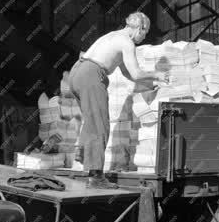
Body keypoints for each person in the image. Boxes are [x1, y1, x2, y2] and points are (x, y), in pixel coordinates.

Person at [70, 12, 167, 189]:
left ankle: (82, 150)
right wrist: (156, 74)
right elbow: (137, 72)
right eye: (145, 33)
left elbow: (128, 73)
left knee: (91, 120)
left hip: (77, 72)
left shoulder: (113, 37)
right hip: (92, 75)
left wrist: (150, 85)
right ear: (140, 28)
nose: (144, 37)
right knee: (101, 124)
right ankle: (96, 177)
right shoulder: (127, 43)